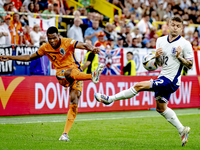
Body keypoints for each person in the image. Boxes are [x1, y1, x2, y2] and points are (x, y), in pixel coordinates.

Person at [94, 16, 193, 147]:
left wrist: (179, 57)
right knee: (160, 108)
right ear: (168, 25)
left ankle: (110, 99)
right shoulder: (160, 41)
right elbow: (158, 64)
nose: (175, 28)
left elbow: (190, 65)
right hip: (162, 77)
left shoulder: (185, 44)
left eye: (178, 26)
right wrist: (157, 57)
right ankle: (182, 130)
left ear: (181, 28)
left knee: (138, 85)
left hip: (171, 81)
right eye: (173, 25)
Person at [0, 26, 103, 141]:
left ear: (58, 36)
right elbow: (29, 57)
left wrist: (92, 48)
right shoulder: (45, 47)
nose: (52, 41)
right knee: (69, 72)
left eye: (54, 38)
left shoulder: (67, 42)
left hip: (77, 74)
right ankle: (92, 76)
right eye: (50, 39)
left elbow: (84, 45)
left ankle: (64, 134)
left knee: (74, 102)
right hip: (62, 75)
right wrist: (9, 57)